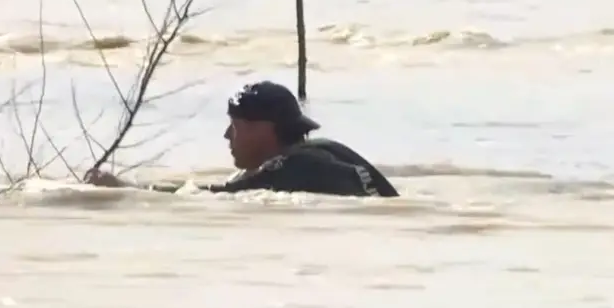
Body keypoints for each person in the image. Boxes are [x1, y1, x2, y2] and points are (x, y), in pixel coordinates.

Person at [84, 80, 399, 197]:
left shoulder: (286, 168)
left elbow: (211, 196)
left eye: (233, 126)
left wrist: (125, 190)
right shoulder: (329, 149)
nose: (226, 135)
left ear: (262, 129)